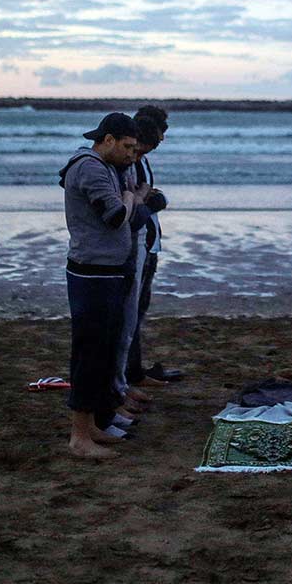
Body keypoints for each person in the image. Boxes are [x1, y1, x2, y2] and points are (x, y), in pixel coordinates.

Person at [58, 112, 147, 461]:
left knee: (103, 354)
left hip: (107, 271)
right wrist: (130, 197)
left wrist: (129, 194)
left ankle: (92, 424)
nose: (131, 155)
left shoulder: (108, 168)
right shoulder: (91, 167)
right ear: (107, 140)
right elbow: (113, 217)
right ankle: (79, 437)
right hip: (91, 274)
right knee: (89, 355)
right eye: (127, 147)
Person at [112, 115, 167, 404]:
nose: (141, 154)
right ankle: (127, 378)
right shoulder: (125, 162)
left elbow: (139, 196)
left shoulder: (139, 160)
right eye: (141, 148)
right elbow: (128, 204)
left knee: (138, 310)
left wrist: (147, 197)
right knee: (128, 314)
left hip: (148, 240)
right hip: (136, 241)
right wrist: (146, 199)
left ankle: (132, 373)